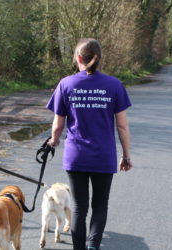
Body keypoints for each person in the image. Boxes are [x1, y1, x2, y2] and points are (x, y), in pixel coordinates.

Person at [46, 38, 133, 250]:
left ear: (78, 58)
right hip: (104, 156)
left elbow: (58, 125)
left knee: (79, 208)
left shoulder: (66, 84)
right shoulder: (114, 85)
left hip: (76, 157)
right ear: (100, 59)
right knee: (100, 205)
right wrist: (126, 155)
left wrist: (53, 142)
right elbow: (122, 126)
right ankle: (93, 246)